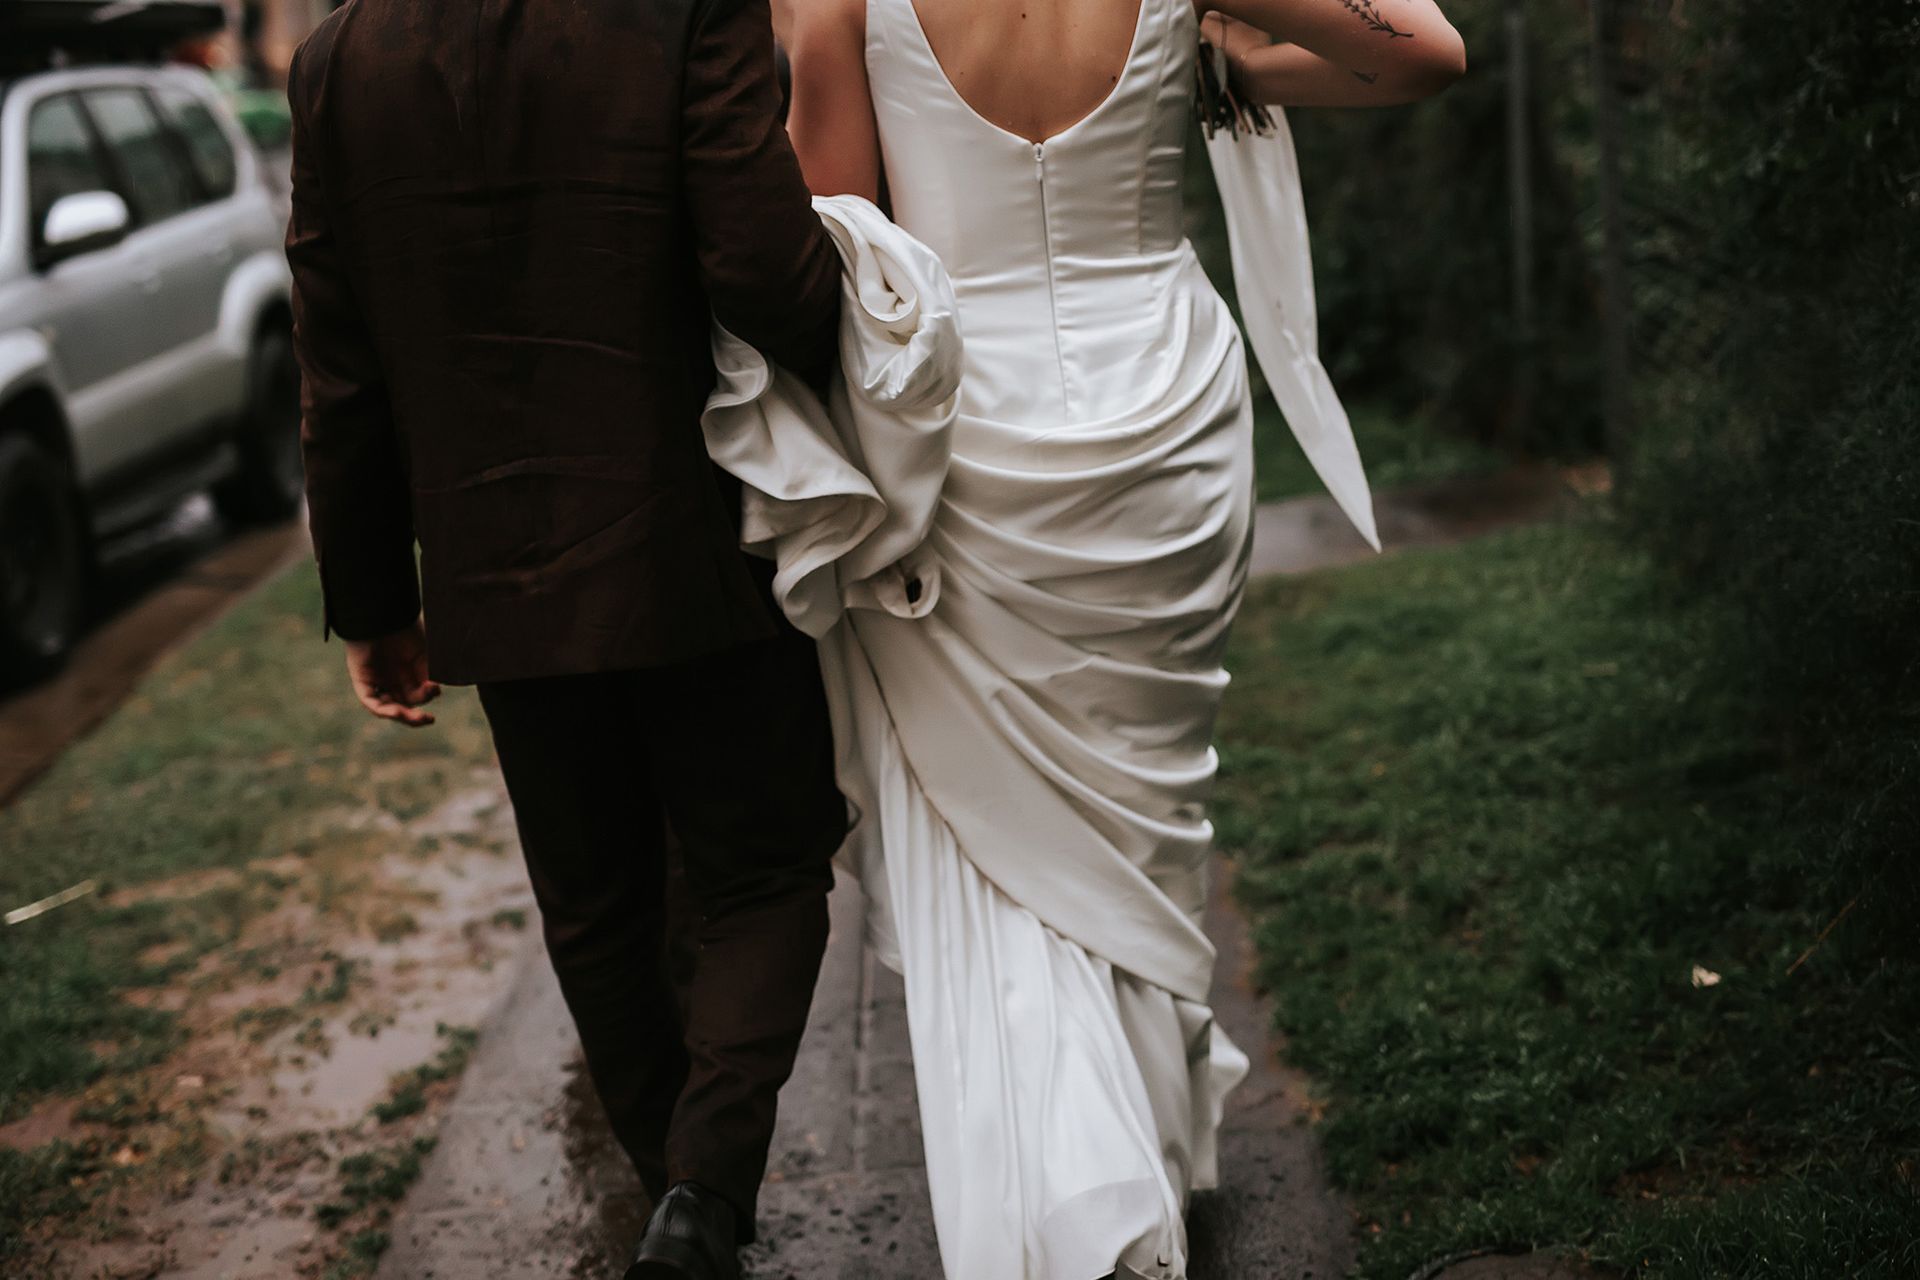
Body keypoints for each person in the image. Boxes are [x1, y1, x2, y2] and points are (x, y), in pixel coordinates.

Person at [777, 0, 1464, 1275]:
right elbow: (1421, 51)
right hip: (1165, 422)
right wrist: (1238, 55)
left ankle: (1081, 1208)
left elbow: (834, 252)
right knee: (1142, 826)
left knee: (1001, 849)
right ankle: (1128, 1159)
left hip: (964, 452)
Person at [283, 2, 845, 1277]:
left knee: (595, 909)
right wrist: (857, 343)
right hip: (693, 531)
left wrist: (375, 600)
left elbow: (341, 362)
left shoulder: (337, 59)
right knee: (764, 867)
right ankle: (700, 1192)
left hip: (498, 569)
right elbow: (763, 263)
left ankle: (679, 1199)